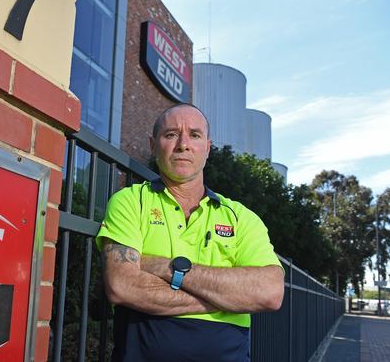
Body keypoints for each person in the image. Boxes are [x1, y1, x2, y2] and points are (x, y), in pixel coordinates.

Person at [96, 103, 285, 362]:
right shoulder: (131, 201)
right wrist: (227, 297)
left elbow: (270, 292)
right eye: (171, 134)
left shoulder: (240, 216)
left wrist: (165, 267)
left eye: (194, 135)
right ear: (153, 146)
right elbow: (122, 286)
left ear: (207, 148)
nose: (183, 144)